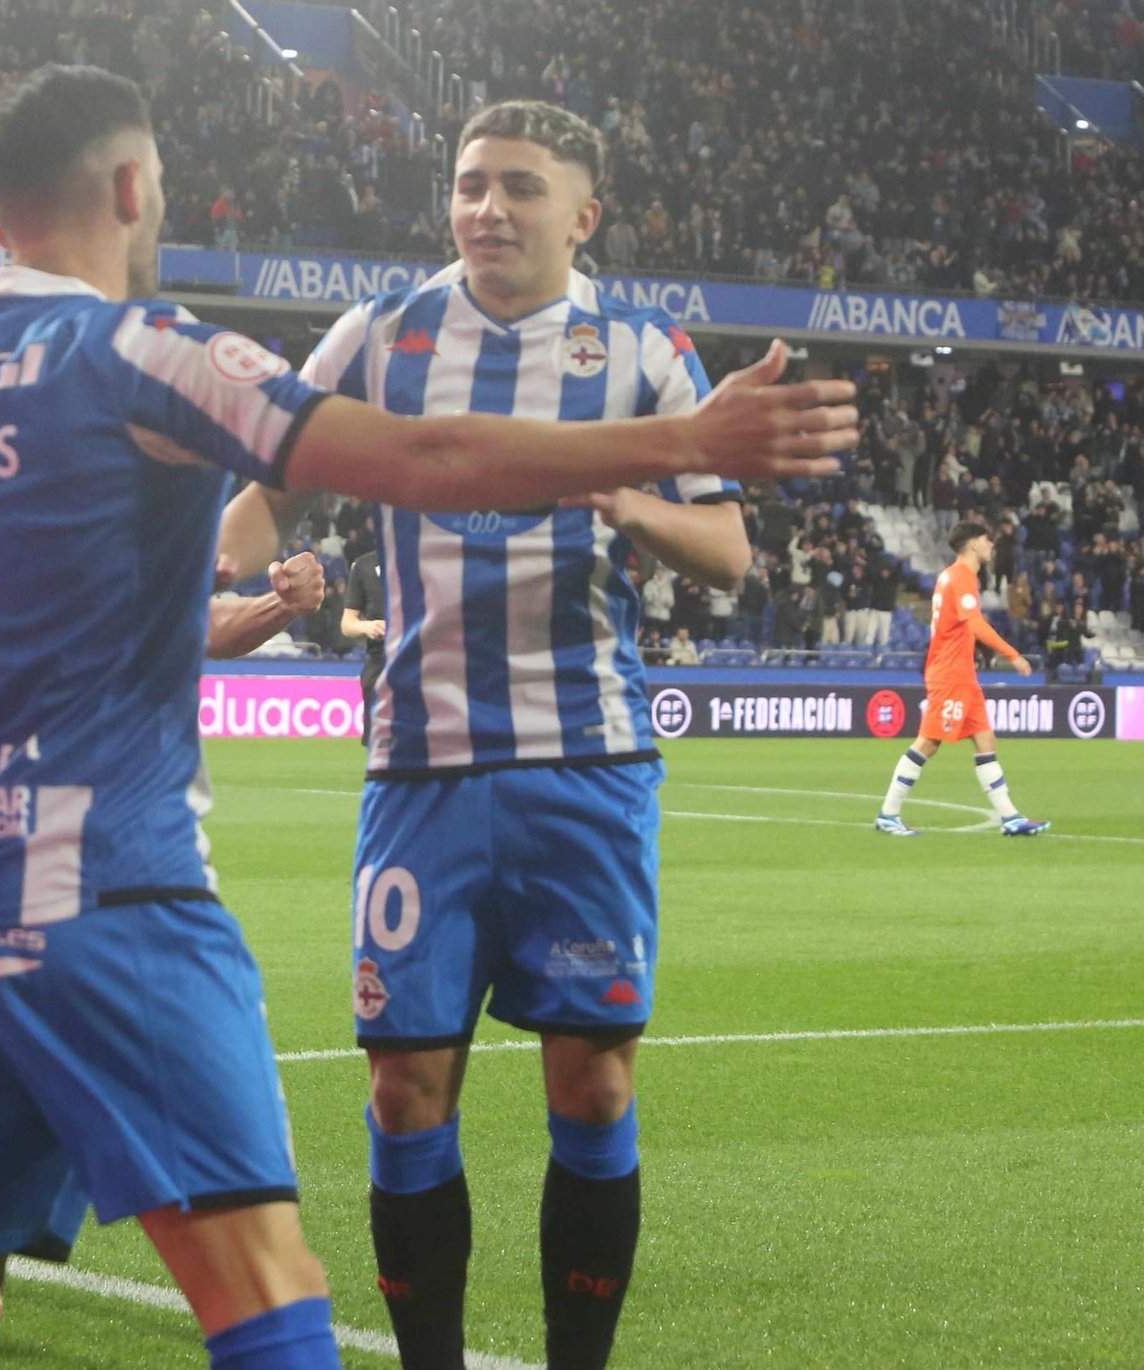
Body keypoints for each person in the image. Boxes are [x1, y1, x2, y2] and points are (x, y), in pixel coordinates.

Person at [0, 67, 851, 1370]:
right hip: (109, 892)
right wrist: (674, 437)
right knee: (270, 1295)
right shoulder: (156, 354)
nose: (485, 209)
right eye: (470, 183)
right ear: (132, 188)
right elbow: (424, 460)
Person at [273, 99, 779, 1370]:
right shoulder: (381, 335)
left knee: (592, 1087)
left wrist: (620, 492)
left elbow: (727, 551)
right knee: (402, 1093)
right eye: (466, 185)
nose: (485, 207)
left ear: (582, 214)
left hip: (583, 766)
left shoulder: (642, 353)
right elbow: (261, 480)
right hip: (420, 769)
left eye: (517, 187)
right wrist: (245, 559)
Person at [876, 519, 1050, 836]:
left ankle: (1010, 817)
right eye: (987, 540)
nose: (991, 545)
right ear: (973, 543)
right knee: (928, 742)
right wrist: (1013, 654)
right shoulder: (961, 576)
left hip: (963, 674)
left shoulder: (951, 576)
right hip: (950, 674)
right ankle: (888, 813)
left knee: (985, 740)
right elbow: (975, 623)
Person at [340, 548, 384, 746]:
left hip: (418, 660)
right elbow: (347, 624)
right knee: (378, 743)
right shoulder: (364, 565)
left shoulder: (424, 559)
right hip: (380, 661)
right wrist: (367, 626)